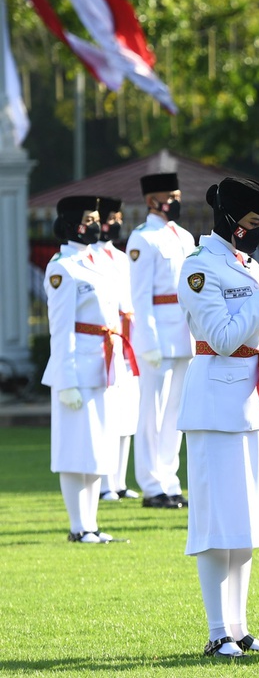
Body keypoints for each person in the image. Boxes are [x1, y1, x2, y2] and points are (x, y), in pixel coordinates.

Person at [177, 177, 259, 657]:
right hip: (216, 403)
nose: (257, 232)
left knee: (245, 522)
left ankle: (241, 627)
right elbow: (224, 338)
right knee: (215, 523)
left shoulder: (249, 264)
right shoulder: (198, 269)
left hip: (254, 400)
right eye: (251, 223)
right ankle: (215, 632)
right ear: (229, 221)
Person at [43, 195, 136, 543]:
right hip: (77, 368)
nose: (98, 225)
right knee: (73, 449)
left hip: (102, 364)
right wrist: (65, 380)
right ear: (73, 224)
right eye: (91, 218)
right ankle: (77, 526)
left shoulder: (95, 260)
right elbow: (61, 327)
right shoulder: (62, 268)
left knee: (100, 446)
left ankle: (92, 525)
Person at [128, 172, 194, 509]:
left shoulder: (183, 236)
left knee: (176, 415)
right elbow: (140, 298)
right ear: (154, 200)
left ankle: (170, 480)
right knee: (151, 414)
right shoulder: (144, 239)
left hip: (184, 334)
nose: (178, 201)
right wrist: (148, 342)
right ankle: (152, 485)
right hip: (158, 336)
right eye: (173, 195)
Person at [93, 196, 141, 500]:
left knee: (127, 416)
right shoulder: (91, 258)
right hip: (106, 343)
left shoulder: (122, 258)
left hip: (127, 343)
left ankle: (120, 482)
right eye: (111, 219)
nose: (116, 224)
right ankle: (105, 483)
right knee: (107, 416)